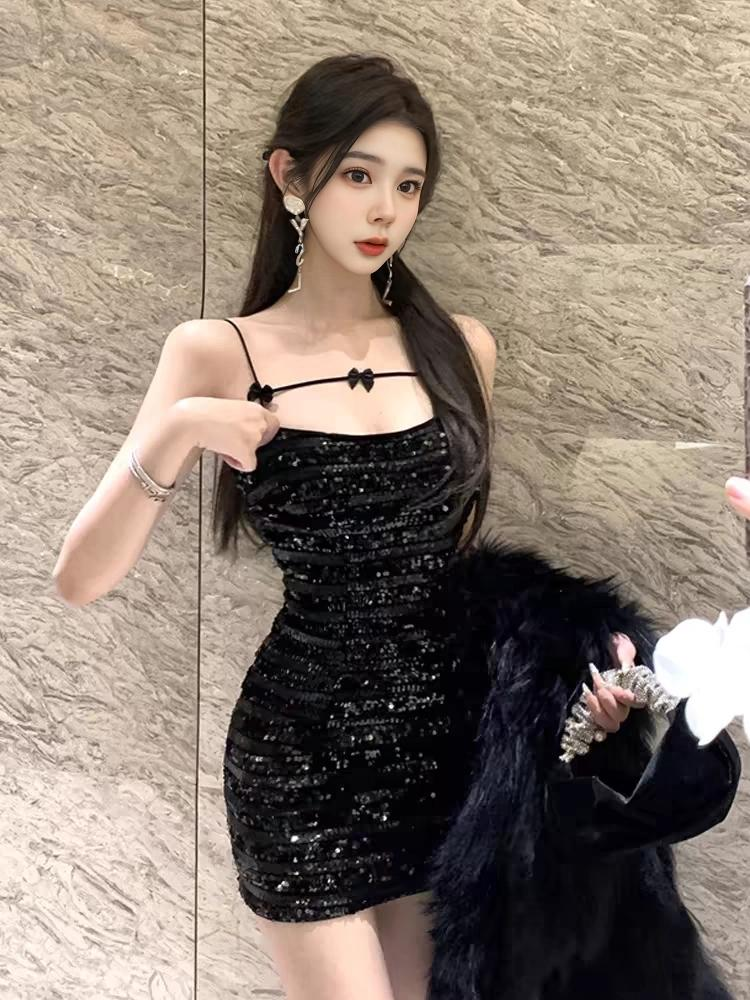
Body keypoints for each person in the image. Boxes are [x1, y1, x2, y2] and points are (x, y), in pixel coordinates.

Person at [53, 53, 641, 1000]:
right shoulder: (216, 350)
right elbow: (79, 579)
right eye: (359, 175)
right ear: (291, 176)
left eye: (408, 185)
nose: (385, 209)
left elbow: (452, 569)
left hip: (442, 753)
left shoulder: (460, 348)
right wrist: (177, 431)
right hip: (301, 760)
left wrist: (565, 671)